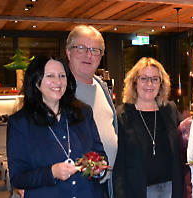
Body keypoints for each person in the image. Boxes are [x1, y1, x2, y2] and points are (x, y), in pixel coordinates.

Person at [7, 56, 107, 197]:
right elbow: (18, 178)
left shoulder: (84, 113)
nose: (58, 82)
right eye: (50, 76)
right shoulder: (20, 123)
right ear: (36, 82)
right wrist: (51, 172)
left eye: (62, 76)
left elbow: (100, 154)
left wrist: (98, 168)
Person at [113, 57, 183, 197]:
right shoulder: (122, 114)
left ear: (161, 83)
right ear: (134, 82)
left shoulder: (170, 110)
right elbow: (119, 165)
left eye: (155, 79)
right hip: (137, 191)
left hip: (170, 189)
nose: (149, 84)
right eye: (143, 78)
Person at [66, 25, 117, 196]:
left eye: (95, 50)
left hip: (104, 186)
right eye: (81, 48)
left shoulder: (102, 87)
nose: (89, 55)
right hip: (73, 188)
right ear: (68, 52)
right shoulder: (59, 89)